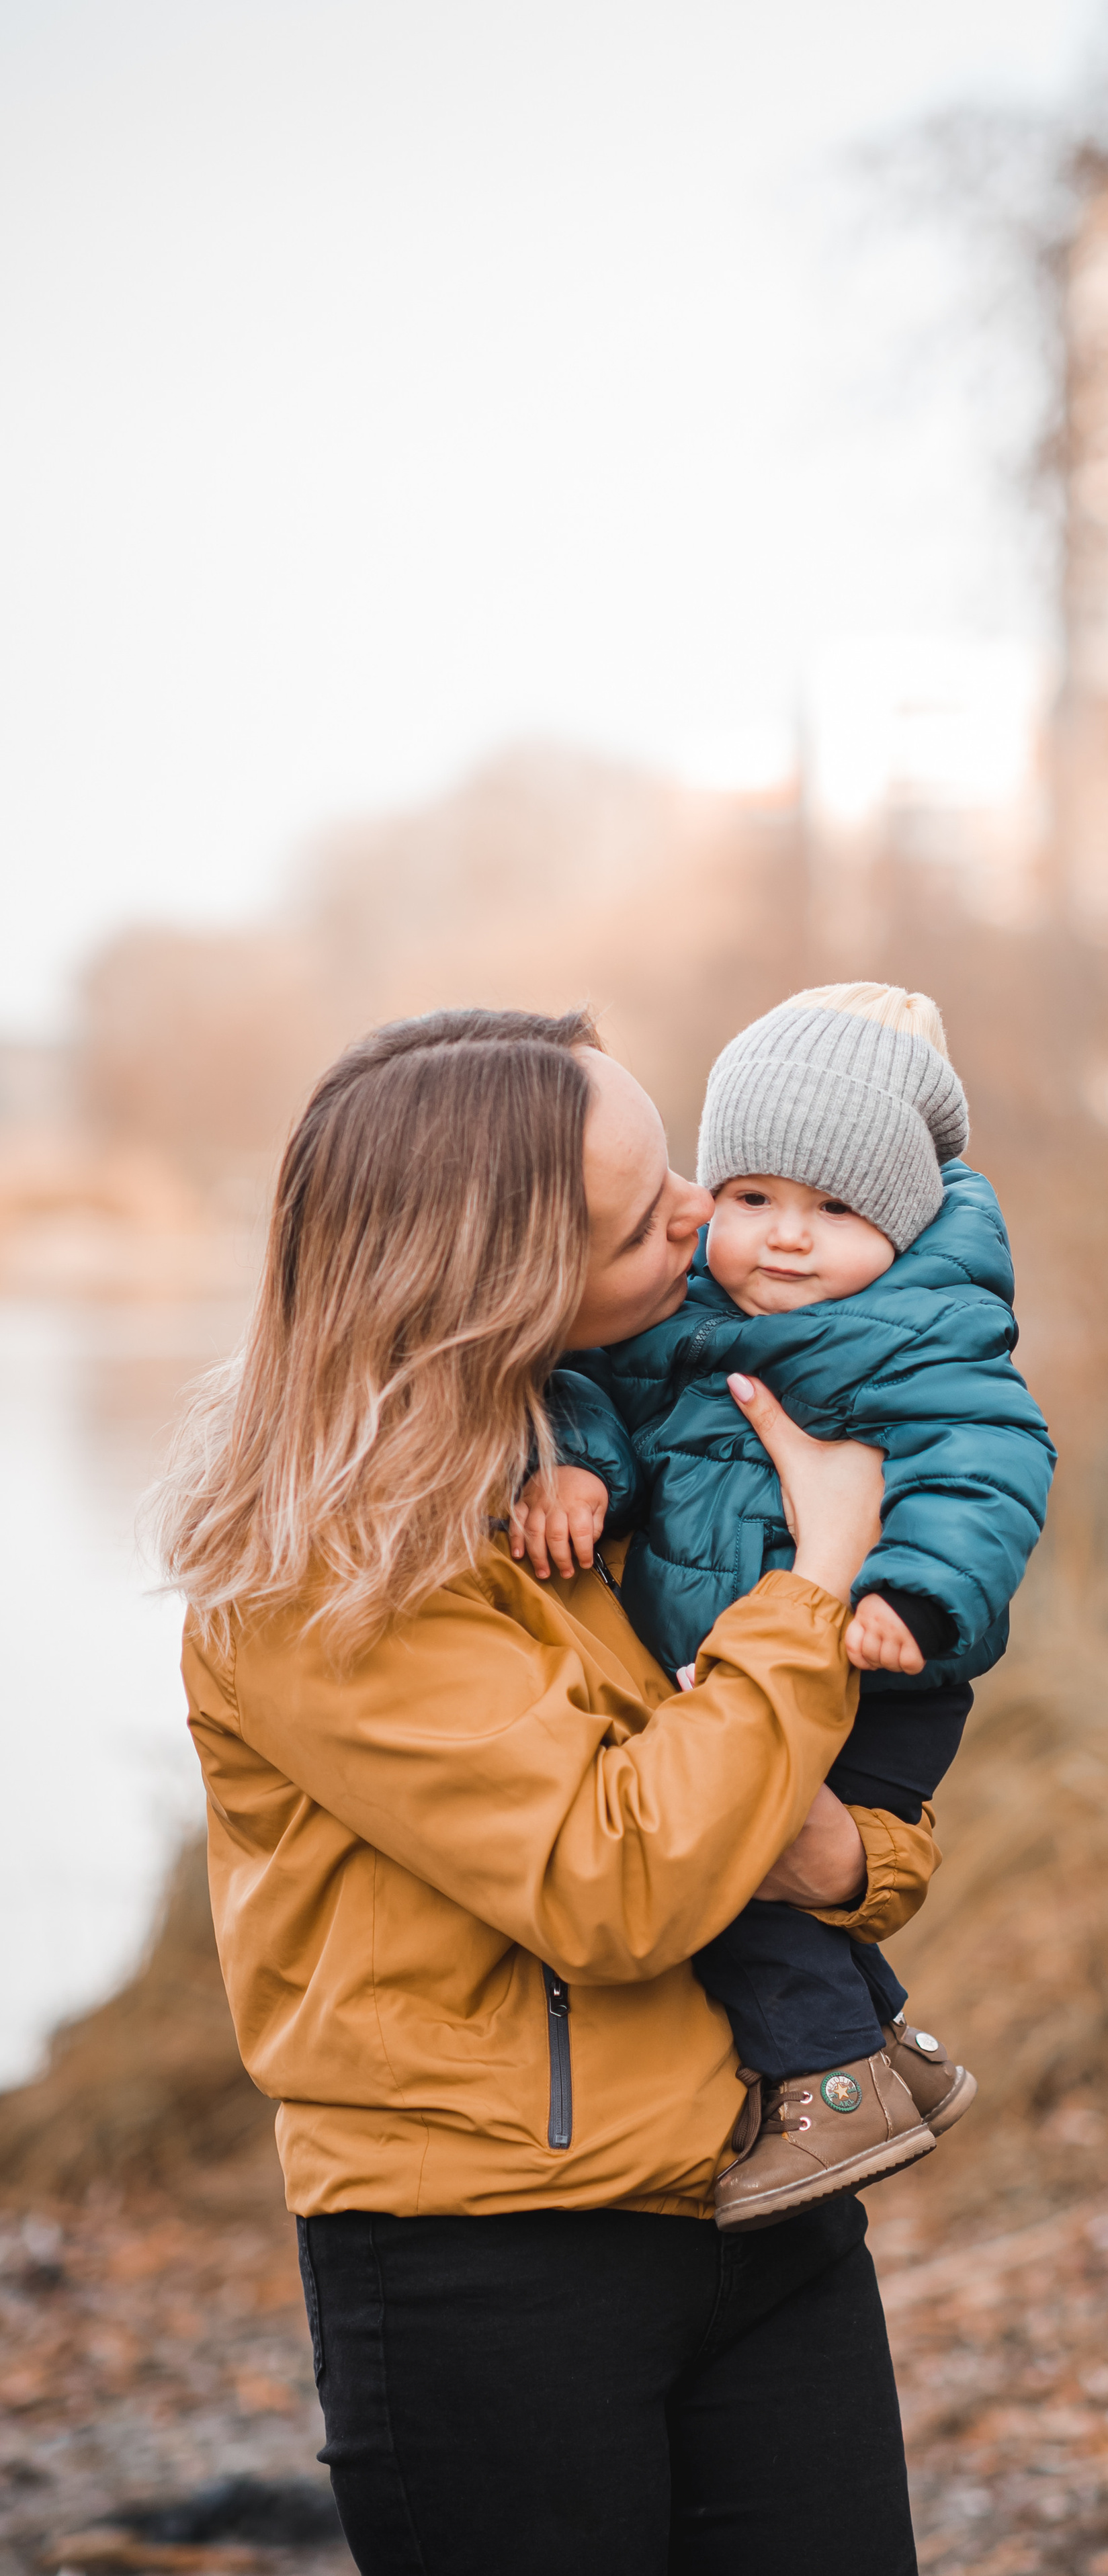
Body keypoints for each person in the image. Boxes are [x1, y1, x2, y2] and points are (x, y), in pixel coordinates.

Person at [154, 1006, 932, 2576]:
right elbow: (624, 1882)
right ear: (502, 1286)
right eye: (647, 1220)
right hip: (490, 2271)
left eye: (678, 1177)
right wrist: (823, 1571)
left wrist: (850, 1860)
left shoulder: (629, 1450)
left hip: (762, 2196)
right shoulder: (318, 1583)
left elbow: (814, 1816)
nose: (701, 1218)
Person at [523, 984, 1055, 2232]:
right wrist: (578, 1463)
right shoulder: (692, 1311)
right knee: (749, 1847)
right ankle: (890, 2049)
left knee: (742, 1869)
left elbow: (987, 1465)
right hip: (767, 1644)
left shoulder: (922, 1332)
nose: (786, 1239)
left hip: (881, 1666)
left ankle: (830, 2084)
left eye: (836, 1209)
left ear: (907, 1221)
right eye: (753, 1197)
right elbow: (595, 1384)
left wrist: (913, 1593)